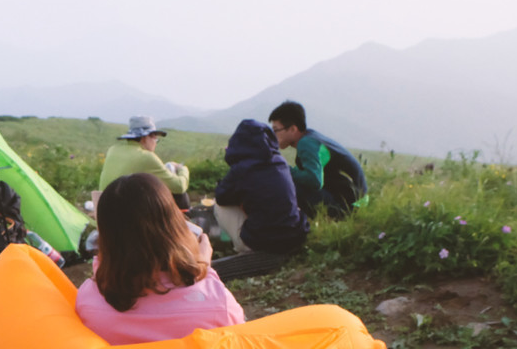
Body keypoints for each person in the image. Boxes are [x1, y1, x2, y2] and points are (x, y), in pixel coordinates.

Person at [76, 173, 244, 345]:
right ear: (175, 227)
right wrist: (203, 269)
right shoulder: (218, 305)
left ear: (105, 237)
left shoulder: (87, 301)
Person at [214, 119, 310, 255]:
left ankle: (243, 247)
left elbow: (221, 197)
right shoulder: (280, 162)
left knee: (220, 207)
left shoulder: (242, 168)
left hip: (263, 241)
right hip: (294, 237)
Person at [268, 101, 367, 219]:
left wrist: (284, 169)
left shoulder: (307, 143)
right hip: (357, 202)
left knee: (286, 182)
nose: (273, 135)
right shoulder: (311, 138)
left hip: (348, 207)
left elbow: (314, 180)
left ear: (293, 129)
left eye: (276, 130)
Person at [98, 115, 191, 210]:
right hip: (126, 216)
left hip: (104, 213)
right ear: (145, 138)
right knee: (181, 197)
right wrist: (182, 169)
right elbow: (179, 187)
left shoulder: (113, 150)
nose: (155, 143)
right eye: (155, 138)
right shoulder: (146, 157)